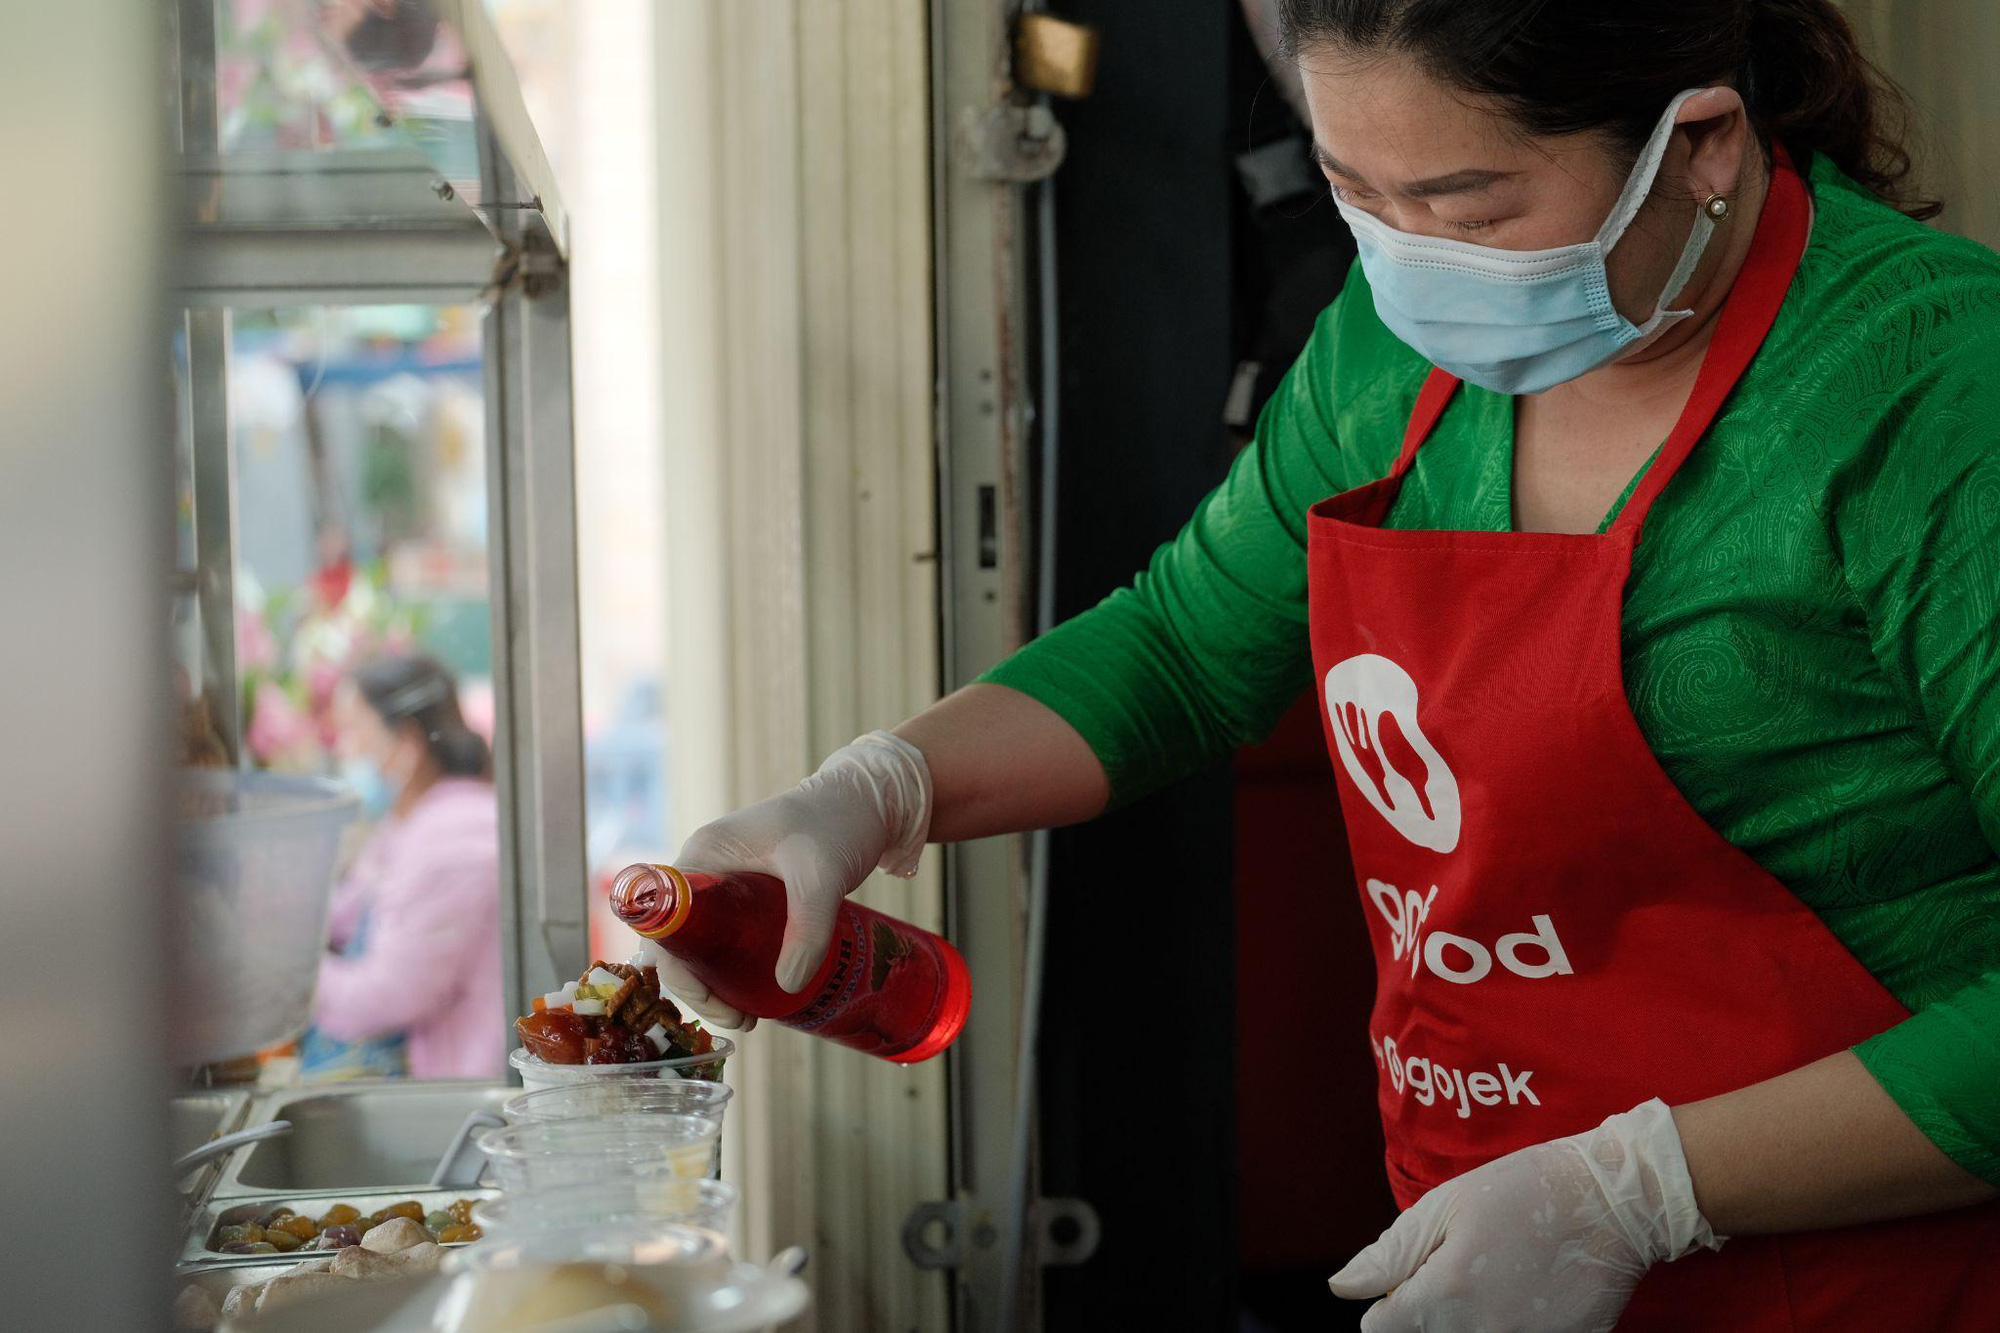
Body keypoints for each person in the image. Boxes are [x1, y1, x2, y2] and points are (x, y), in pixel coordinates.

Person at [658, 1, 2000, 1328]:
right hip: (1486, 1260)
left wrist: (1638, 1188)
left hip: (1882, 1281)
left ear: (1698, 143)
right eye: (1360, 196)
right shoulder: (1394, 348)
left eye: (1474, 214)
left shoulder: (1935, 394)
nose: (1414, 264)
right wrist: (875, 790)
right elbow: (1185, 645)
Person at [306, 654, 503, 1081]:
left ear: (407, 744)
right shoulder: (410, 823)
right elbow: (345, 911)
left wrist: (288, 976)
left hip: (463, 1091)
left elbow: (389, 994)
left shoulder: (454, 839)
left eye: (355, 730)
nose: (345, 750)